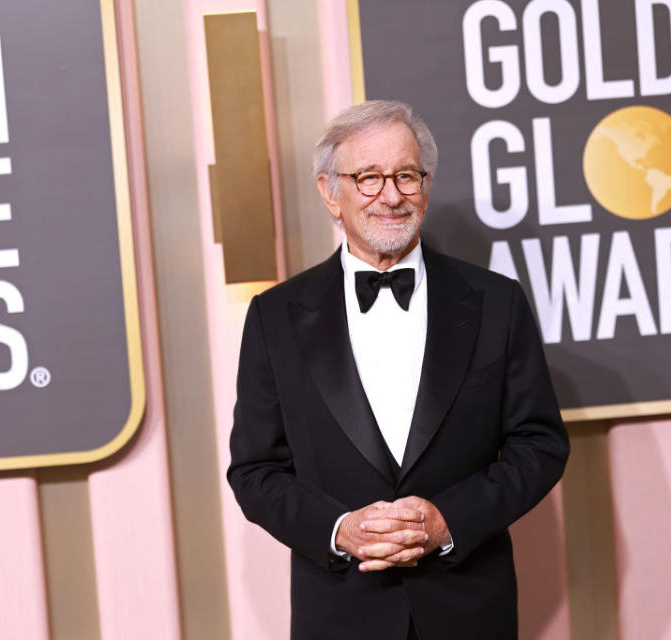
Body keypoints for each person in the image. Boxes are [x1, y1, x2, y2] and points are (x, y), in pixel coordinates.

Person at [227, 100, 569, 640]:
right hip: (340, 614)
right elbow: (254, 472)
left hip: (469, 611)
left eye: (406, 175)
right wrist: (342, 531)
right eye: (367, 178)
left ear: (426, 186)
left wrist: (446, 521)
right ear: (329, 193)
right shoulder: (275, 317)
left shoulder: (496, 303)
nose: (391, 196)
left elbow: (540, 445)